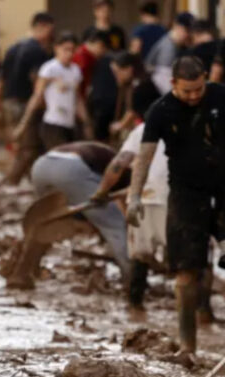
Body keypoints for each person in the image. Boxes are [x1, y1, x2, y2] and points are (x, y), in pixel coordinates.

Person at [127, 56, 225, 356]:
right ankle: (187, 345)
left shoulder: (221, 96)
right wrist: (134, 195)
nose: (194, 96)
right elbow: (145, 156)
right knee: (186, 271)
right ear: (173, 84)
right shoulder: (160, 111)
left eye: (198, 89)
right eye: (187, 91)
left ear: (205, 78)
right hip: (186, 196)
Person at [7, 141, 131, 289]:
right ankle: (133, 280)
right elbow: (124, 208)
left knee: (49, 222)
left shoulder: (102, 152)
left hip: (41, 167)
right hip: (71, 170)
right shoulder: (127, 171)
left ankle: (23, 272)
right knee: (117, 226)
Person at [91, 78, 166, 313]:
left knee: (140, 256)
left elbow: (119, 163)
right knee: (189, 262)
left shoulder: (141, 131)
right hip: (177, 199)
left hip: (145, 199)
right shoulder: (181, 126)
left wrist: (102, 192)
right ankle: (202, 312)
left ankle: (135, 305)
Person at [1, 12, 55, 185]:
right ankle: (10, 182)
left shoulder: (13, 48)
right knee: (28, 147)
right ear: (42, 27)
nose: (51, 34)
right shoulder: (37, 51)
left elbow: (0, 81)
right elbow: (36, 82)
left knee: (24, 146)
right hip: (25, 103)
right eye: (50, 29)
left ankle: (34, 181)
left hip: (9, 102)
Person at [15, 32, 91, 151]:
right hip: (53, 123)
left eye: (72, 50)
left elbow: (77, 99)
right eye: (66, 50)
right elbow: (37, 96)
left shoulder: (75, 70)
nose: (69, 54)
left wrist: (86, 122)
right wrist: (23, 124)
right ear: (57, 48)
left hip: (69, 123)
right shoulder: (50, 68)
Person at [145, 12, 193, 95]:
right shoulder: (168, 48)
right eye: (187, 31)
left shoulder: (178, 45)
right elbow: (164, 84)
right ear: (177, 27)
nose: (190, 35)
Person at [72, 29, 109, 99]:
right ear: (99, 44)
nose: (104, 52)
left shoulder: (90, 57)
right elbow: (79, 85)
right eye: (103, 47)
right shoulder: (83, 58)